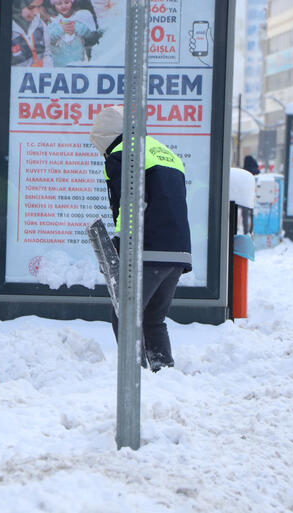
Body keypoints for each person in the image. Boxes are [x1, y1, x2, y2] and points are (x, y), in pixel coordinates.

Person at [89, 106, 191, 372]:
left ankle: (133, 377)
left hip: (148, 249)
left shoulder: (123, 154)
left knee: (124, 314)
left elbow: (129, 201)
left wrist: (122, 240)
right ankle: (163, 371)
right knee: (153, 318)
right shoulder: (164, 152)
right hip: (178, 251)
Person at [47, 0, 102, 66]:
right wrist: (60, 29)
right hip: (58, 65)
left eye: (67, 2)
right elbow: (47, 40)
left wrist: (77, 27)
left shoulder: (80, 17)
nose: (63, 6)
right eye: (59, 4)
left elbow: (91, 36)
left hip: (79, 64)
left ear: (72, 2)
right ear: (54, 5)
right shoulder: (52, 21)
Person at [12, 0, 49, 67]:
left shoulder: (40, 24)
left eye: (39, 6)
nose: (36, 12)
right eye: (31, 7)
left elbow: (49, 53)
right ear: (17, 6)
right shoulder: (7, 30)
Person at [241, 155, 260, 234]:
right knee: (253, 214)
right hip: (255, 195)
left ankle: (245, 231)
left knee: (245, 215)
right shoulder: (257, 171)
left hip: (245, 196)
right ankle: (252, 231)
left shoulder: (244, 171)